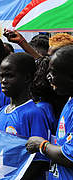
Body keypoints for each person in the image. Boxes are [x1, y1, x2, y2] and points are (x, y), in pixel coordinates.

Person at [0, 52, 50, 179]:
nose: (3, 81)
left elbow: (40, 160)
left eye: (9, 76)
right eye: (1, 76)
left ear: (26, 78)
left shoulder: (34, 113)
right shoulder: (1, 112)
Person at [26, 46, 73, 179]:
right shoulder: (69, 100)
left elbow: (69, 157)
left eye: (53, 72)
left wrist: (41, 145)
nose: (48, 77)